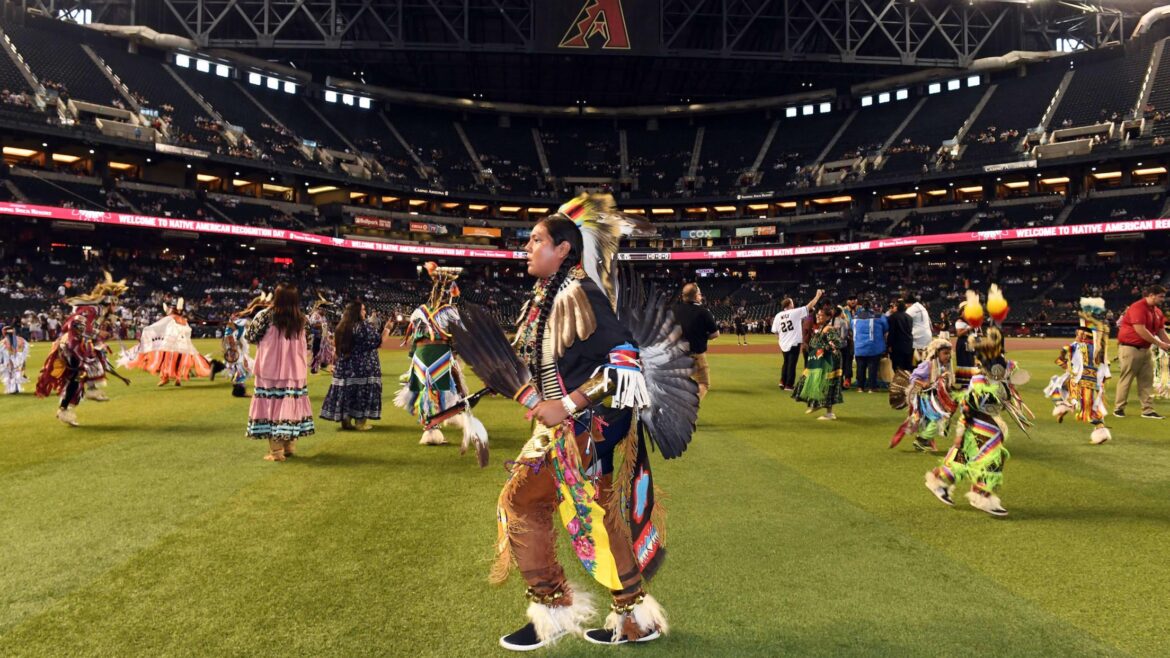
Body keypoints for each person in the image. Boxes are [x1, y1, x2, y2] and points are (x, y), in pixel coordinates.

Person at [455, 196, 695, 651]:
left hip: (590, 425)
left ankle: (552, 610)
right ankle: (632, 617)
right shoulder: (551, 295)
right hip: (580, 424)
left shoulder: (580, 293)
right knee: (605, 516)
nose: (526, 248)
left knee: (522, 502)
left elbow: (625, 360)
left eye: (536, 241)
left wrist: (566, 404)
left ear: (563, 249)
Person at [924, 327, 1032, 517]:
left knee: (963, 459)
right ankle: (981, 495)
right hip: (980, 427)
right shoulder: (980, 381)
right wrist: (960, 433)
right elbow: (967, 406)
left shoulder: (999, 380)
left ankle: (939, 480)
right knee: (993, 459)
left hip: (987, 427)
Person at [393, 262, 487, 451]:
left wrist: (414, 357)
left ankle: (441, 421)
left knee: (426, 390)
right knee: (442, 388)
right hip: (439, 356)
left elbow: (415, 338)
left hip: (420, 357)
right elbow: (460, 337)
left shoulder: (418, 311)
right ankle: (433, 429)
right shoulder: (449, 312)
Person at [35, 273, 129, 426]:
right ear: (109, 301)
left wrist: (102, 334)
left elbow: (90, 332)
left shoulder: (99, 313)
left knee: (77, 377)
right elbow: (75, 325)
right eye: (114, 303)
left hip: (77, 345)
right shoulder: (92, 309)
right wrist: (99, 333)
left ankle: (65, 410)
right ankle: (90, 390)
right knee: (83, 370)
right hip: (71, 345)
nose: (116, 307)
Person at [245, 283, 315, 462]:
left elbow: (251, 336)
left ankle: (276, 452)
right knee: (290, 407)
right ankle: (289, 446)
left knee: (271, 408)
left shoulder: (265, 316)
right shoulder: (302, 319)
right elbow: (309, 340)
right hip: (295, 370)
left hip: (270, 370)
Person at [1045, 297, 1113, 445]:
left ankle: (1063, 406)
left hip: (1081, 381)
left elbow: (1061, 359)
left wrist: (1065, 363)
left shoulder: (1078, 346)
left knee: (1058, 385)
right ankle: (1099, 429)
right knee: (1091, 405)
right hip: (1094, 382)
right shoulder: (1098, 349)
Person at [321, 300, 384, 431]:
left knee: (346, 393)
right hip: (363, 366)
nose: (365, 312)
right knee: (362, 392)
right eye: (363, 310)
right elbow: (377, 341)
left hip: (344, 367)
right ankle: (360, 423)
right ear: (357, 312)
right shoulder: (363, 326)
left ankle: (346, 421)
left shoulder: (341, 326)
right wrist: (388, 330)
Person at [122, 299, 212, 386]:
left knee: (166, 361)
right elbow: (187, 332)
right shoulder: (183, 320)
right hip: (182, 346)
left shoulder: (170, 318)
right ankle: (177, 379)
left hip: (170, 345)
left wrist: (147, 329)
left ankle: (166, 378)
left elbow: (158, 326)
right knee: (177, 362)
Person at [1113, 285, 1168, 419]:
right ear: (1151, 295)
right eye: (1161, 296)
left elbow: (1161, 331)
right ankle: (1119, 408)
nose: (1163, 299)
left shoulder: (1157, 311)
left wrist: (1168, 344)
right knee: (1127, 378)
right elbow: (1140, 330)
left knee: (1146, 380)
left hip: (1145, 349)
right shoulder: (1138, 307)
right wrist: (1159, 344)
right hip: (1130, 348)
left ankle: (1147, 410)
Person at [891, 338, 955, 452]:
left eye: (949, 353)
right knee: (938, 418)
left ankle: (926, 441)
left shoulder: (943, 367)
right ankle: (922, 439)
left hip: (935, 398)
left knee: (932, 420)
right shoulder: (928, 365)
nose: (948, 356)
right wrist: (923, 383)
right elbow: (913, 377)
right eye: (945, 353)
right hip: (926, 398)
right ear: (936, 353)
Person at [792, 304, 844, 420]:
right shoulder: (821, 328)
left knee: (827, 385)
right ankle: (816, 404)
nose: (818, 317)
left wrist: (826, 347)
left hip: (829, 361)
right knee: (814, 382)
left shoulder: (828, 329)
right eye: (818, 315)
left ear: (827, 317)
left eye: (821, 315)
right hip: (819, 360)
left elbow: (838, 343)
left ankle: (828, 412)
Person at [672, 283, 719, 401]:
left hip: (676, 354)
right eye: (699, 294)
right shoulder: (703, 311)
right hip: (695, 353)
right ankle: (688, 410)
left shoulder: (674, 310)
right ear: (696, 296)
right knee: (703, 383)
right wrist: (702, 336)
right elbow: (715, 334)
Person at [772, 289, 824, 390]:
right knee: (792, 363)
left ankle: (782, 381)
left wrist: (781, 340)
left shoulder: (778, 315)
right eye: (792, 303)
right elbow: (809, 306)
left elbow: (775, 331)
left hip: (783, 343)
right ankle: (789, 385)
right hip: (794, 342)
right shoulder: (794, 312)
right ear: (789, 305)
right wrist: (817, 296)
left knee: (786, 362)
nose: (793, 304)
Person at [851, 300, 887, 393]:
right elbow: (886, 327)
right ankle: (872, 387)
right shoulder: (879, 316)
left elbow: (852, 328)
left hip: (859, 347)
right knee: (873, 368)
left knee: (860, 368)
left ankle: (860, 387)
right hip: (873, 347)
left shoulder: (855, 318)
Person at [886, 299, 915, 372]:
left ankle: (899, 383)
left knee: (898, 368)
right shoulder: (909, 317)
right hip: (908, 345)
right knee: (907, 368)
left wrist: (889, 345)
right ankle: (907, 382)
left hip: (897, 346)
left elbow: (891, 332)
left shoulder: (893, 317)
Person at [1, 325, 30, 394]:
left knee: (10, 374)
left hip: (8, 359)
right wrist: (23, 359)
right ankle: (16, 388)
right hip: (19, 358)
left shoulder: (4, 341)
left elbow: (1, 353)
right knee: (17, 373)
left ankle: (12, 389)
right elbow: (25, 350)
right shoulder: (21, 339)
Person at [838, 295, 859, 389]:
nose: (853, 301)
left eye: (854, 299)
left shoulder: (860, 310)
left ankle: (854, 379)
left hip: (858, 338)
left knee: (855, 359)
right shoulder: (843, 310)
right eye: (851, 299)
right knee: (846, 359)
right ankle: (845, 379)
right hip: (847, 339)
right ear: (847, 301)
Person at [906, 296, 933, 363]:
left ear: (909, 303)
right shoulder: (922, 307)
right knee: (926, 358)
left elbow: (904, 320)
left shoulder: (911, 309)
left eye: (906, 304)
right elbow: (930, 322)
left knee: (915, 358)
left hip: (917, 336)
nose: (906, 306)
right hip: (927, 334)